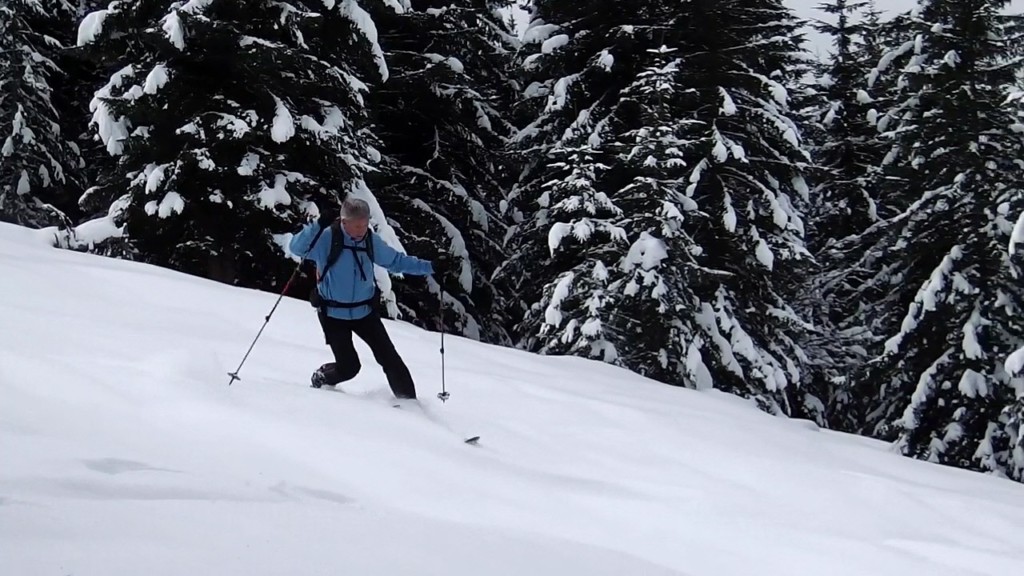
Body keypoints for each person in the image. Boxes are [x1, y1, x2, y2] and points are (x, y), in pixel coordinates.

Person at [289, 198, 435, 399]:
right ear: (344, 221)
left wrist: (431, 267)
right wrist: (318, 225)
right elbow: (296, 248)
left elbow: (396, 261)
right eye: (357, 225)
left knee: (390, 359)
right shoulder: (327, 238)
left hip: (365, 313)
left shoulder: (369, 241)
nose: (361, 229)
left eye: (365, 224)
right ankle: (322, 377)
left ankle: (410, 405)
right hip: (333, 314)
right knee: (349, 367)